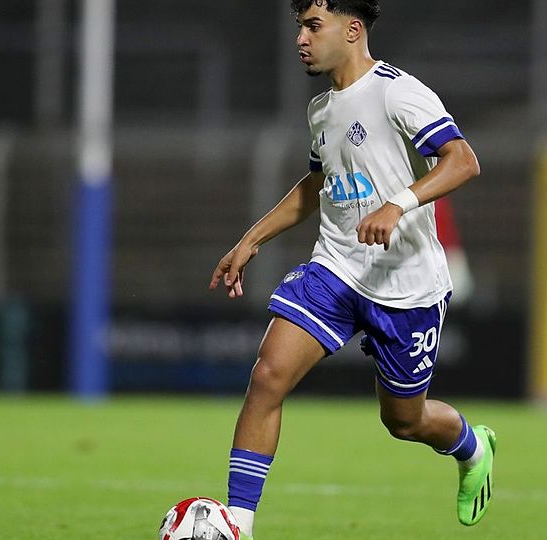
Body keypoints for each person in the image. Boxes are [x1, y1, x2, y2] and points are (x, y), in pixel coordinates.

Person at [209, 1, 493, 537]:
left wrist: (397, 205)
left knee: (404, 421)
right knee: (267, 376)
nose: (301, 38)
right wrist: (251, 239)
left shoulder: (398, 92)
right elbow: (317, 185)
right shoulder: (321, 108)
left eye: (313, 26)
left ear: (353, 29)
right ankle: (238, 525)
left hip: (406, 283)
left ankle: (472, 447)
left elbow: (463, 160)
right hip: (336, 267)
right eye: (300, 27)